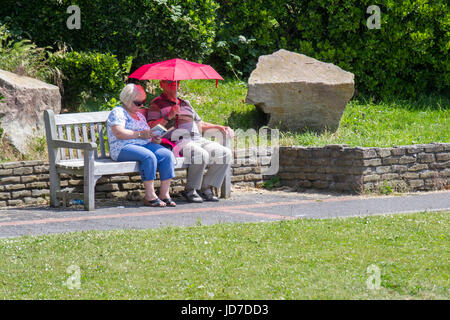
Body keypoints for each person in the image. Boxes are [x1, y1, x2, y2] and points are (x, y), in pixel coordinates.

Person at [145, 80, 234, 203]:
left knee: (225, 153)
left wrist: (218, 127)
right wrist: (169, 116)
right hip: (178, 141)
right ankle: (190, 190)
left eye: (176, 82)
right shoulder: (156, 104)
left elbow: (200, 125)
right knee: (201, 154)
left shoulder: (185, 103)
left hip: (197, 138)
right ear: (161, 85)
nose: (173, 84)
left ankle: (206, 187)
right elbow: (152, 130)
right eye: (169, 82)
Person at [106, 83, 176, 207]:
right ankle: (149, 195)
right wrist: (139, 135)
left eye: (143, 102)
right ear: (127, 100)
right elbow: (119, 132)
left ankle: (164, 194)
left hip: (144, 145)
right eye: (138, 103)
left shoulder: (139, 115)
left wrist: (156, 138)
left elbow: (146, 136)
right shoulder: (118, 112)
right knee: (148, 156)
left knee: (167, 154)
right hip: (123, 147)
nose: (142, 105)